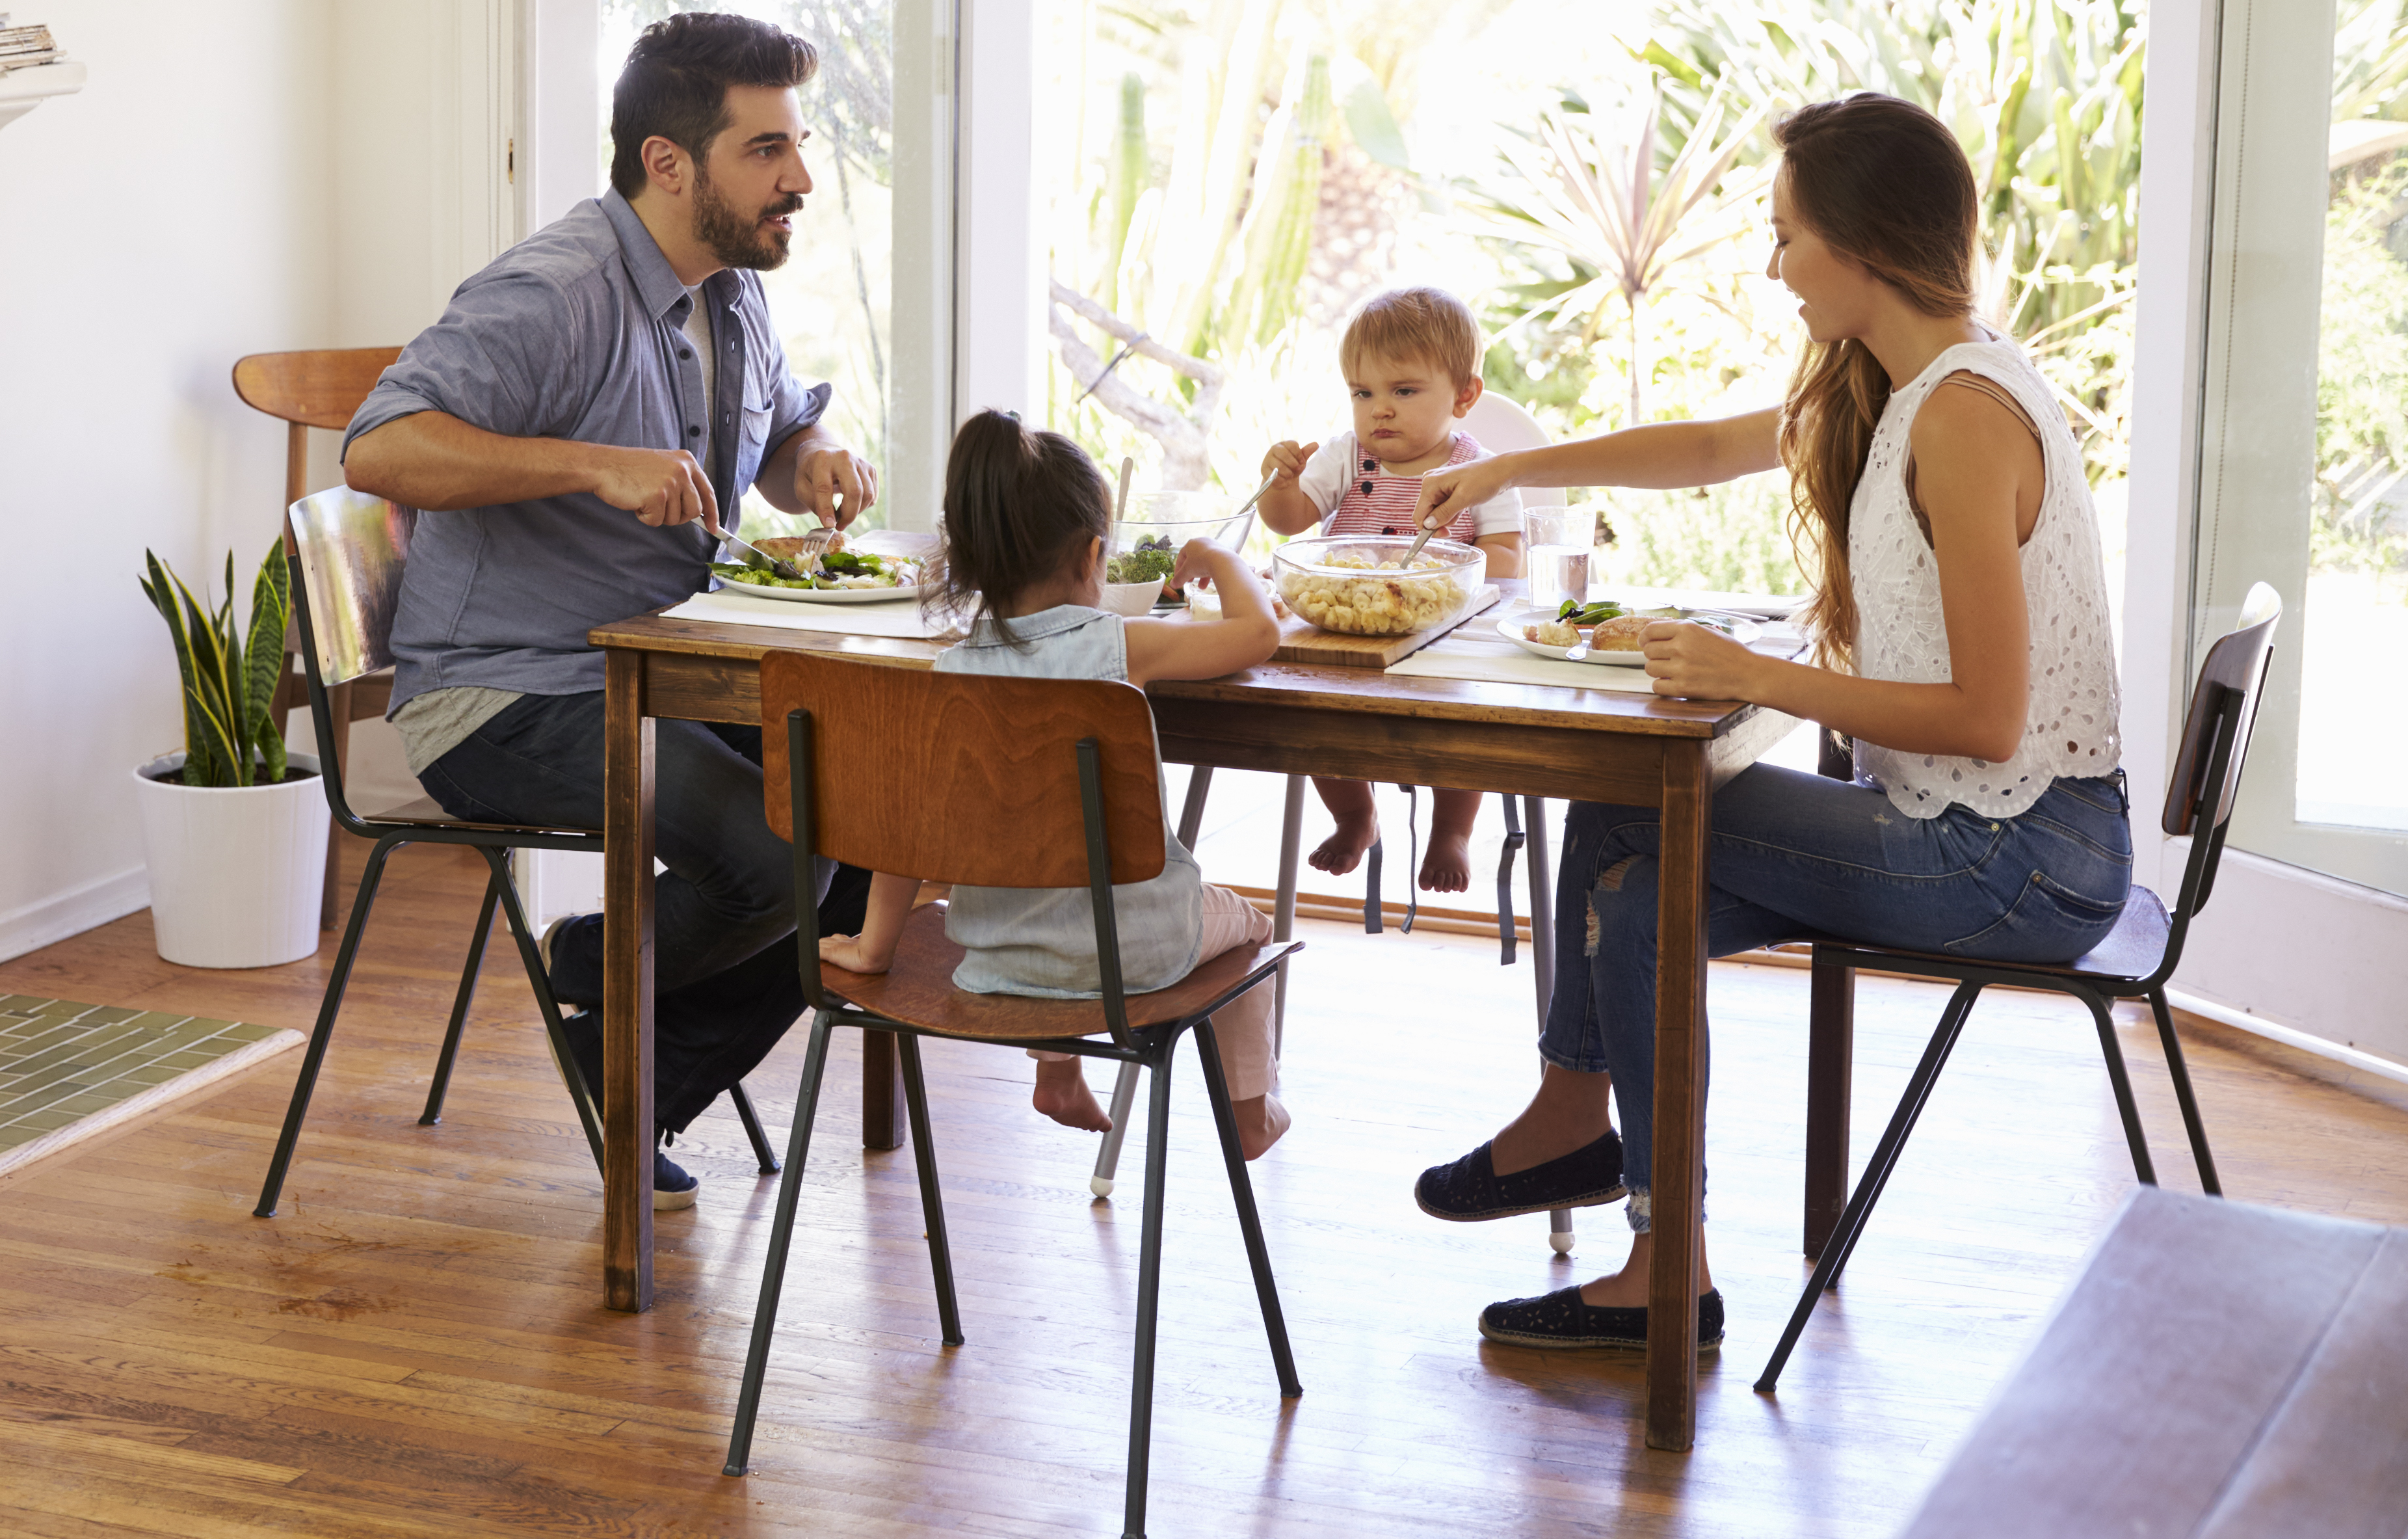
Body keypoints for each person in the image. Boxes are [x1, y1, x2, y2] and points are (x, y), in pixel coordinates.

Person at [1402, 90, 2127, 1354]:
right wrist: (1517, 465)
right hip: (1979, 832)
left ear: (1863, 247)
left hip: (2015, 860)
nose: (1773, 264)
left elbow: (1989, 718)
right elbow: (1705, 448)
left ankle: (1576, 1128)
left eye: (1785, 234)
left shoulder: (1961, 415)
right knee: (1632, 893)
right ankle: (1657, 1264)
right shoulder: (1897, 382)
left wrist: (1761, 674)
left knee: (1626, 804)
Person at [343, 11, 880, 1209]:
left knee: (869, 824)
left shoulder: (729, 290)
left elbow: (781, 433)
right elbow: (378, 448)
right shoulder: (554, 290)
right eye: (765, 151)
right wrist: (588, 463)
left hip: (661, 673)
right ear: (667, 162)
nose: (798, 179)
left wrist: (819, 459)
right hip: (502, 696)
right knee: (777, 858)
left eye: (796, 145)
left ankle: (617, 1052)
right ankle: (594, 966)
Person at [815, 411, 1295, 1160]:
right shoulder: (1118, 644)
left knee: (1044, 875)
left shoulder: (950, 677)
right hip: (1135, 953)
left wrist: (874, 946)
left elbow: (904, 840)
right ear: (1094, 554)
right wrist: (1215, 558)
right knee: (1253, 926)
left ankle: (1059, 1069)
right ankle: (1250, 1111)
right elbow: (1258, 633)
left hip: (995, 955)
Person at [1254, 286, 1526, 892]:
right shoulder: (1346, 458)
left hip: (1439, 638)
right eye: (1363, 392)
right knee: (1315, 720)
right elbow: (1290, 519)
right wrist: (1279, 483)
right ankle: (1355, 814)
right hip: (1343, 637)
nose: (1380, 409)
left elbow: (1507, 557)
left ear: (1465, 394)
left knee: (1462, 725)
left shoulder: (1481, 469)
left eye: (1403, 391)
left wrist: (1453, 572)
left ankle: (1451, 827)